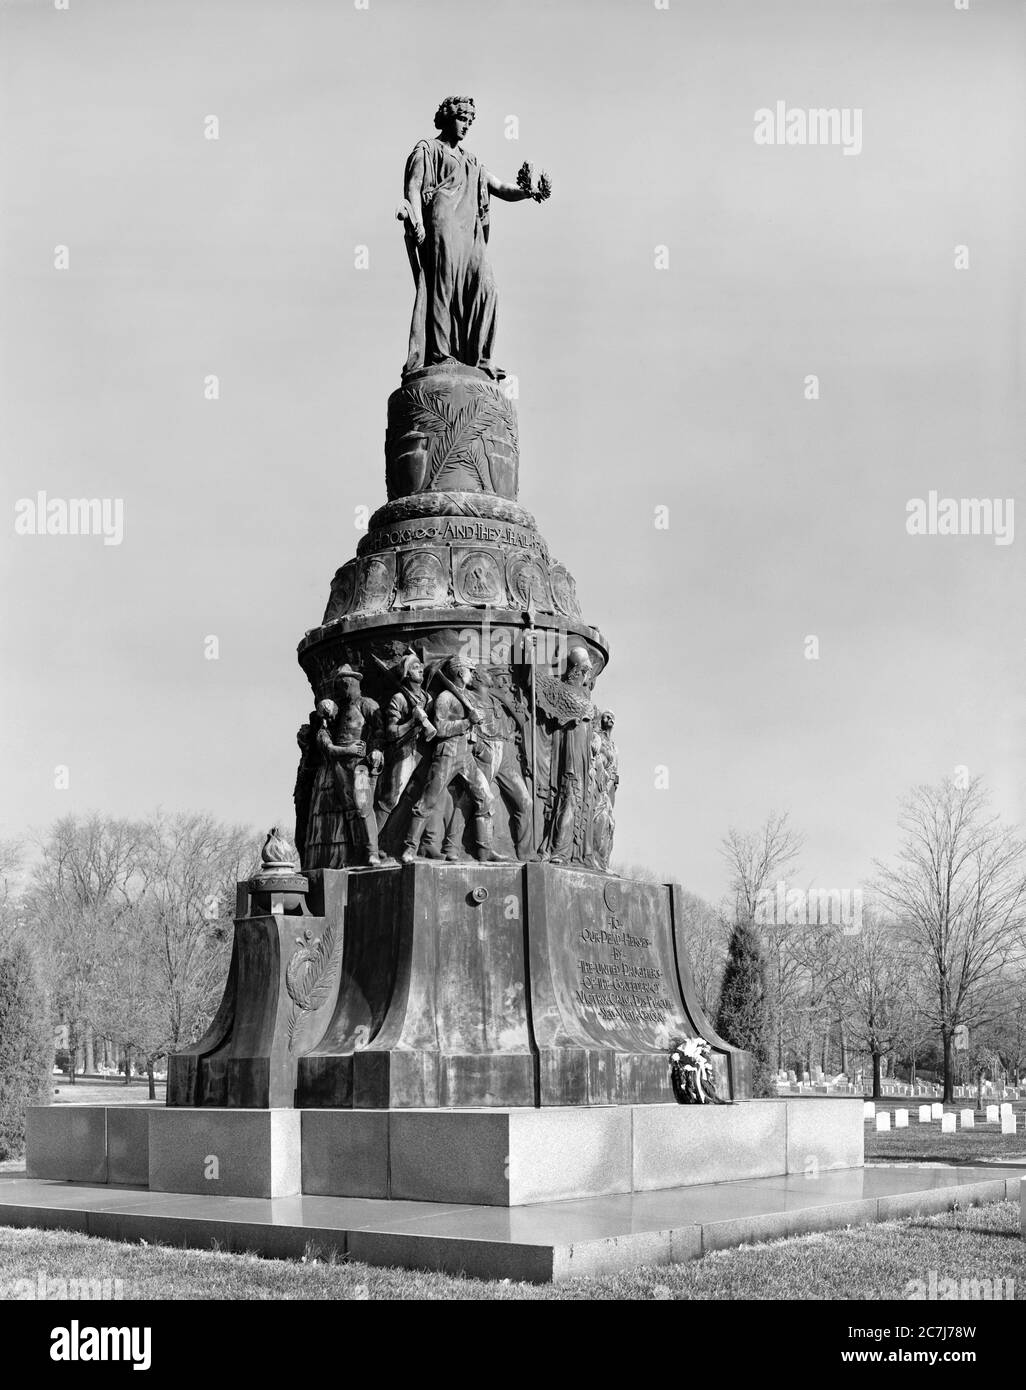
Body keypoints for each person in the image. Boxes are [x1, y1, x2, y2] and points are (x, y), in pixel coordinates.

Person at [398, 96, 546, 377]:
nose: (466, 126)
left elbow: (500, 187)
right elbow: (413, 186)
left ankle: (480, 358)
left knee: (486, 286)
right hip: (441, 222)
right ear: (447, 117)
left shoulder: (472, 162)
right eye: (462, 119)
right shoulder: (428, 149)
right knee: (443, 286)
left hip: (470, 233)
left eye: (470, 122)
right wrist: (418, 221)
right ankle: (441, 355)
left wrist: (528, 191)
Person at [402, 656, 506, 864]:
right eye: (469, 670)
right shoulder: (446, 697)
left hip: (466, 755)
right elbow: (440, 728)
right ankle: (409, 849)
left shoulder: (466, 696)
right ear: (460, 672)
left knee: (485, 798)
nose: (472, 674)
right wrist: (468, 722)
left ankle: (485, 850)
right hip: (447, 753)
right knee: (428, 800)